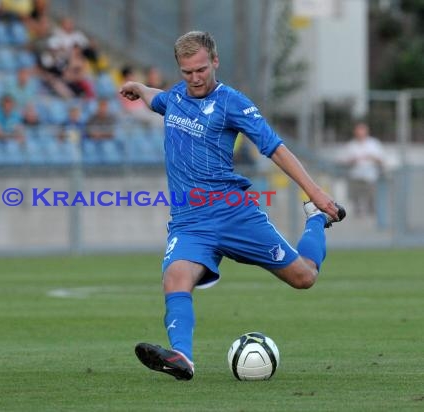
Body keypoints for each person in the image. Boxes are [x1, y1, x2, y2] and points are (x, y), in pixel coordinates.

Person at [119, 31, 346, 381]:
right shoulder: (175, 97)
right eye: (186, 72)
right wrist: (139, 87)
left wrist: (315, 193)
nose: (194, 78)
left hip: (233, 214)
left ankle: (314, 220)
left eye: (200, 70)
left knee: (304, 278)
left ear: (215, 62)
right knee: (175, 278)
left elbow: (274, 147)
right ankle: (182, 357)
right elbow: (156, 99)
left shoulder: (232, 102)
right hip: (189, 222)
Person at [340, 121, 386, 217]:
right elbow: (343, 160)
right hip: (356, 176)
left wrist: (372, 158)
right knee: (356, 199)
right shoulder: (351, 145)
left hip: (370, 177)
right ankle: (359, 216)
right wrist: (352, 160)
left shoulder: (374, 143)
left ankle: (373, 216)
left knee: (372, 198)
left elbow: (382, 159)